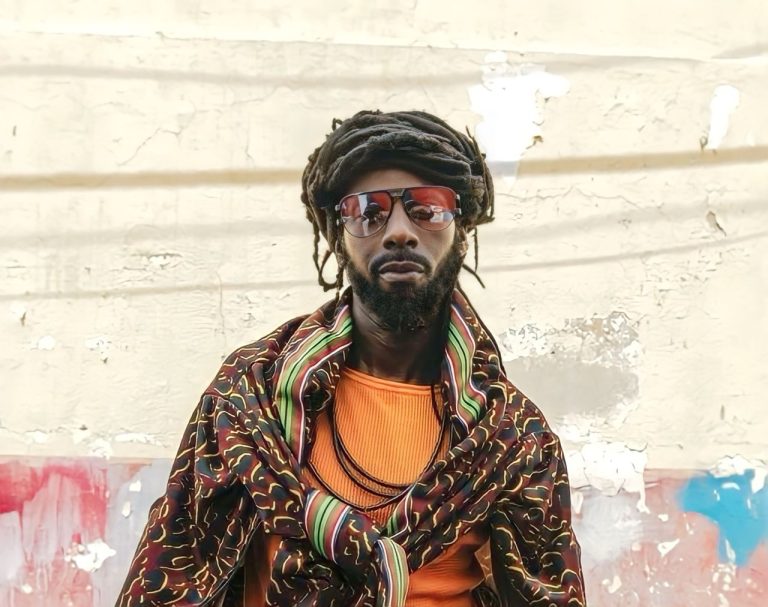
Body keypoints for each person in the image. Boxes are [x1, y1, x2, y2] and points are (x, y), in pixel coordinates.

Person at [116, 110, 585, 607]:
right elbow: (173, 571)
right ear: (337, 235)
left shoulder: (510, 434)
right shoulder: (251, 395)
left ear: (462, 229)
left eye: (427, 209)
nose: (399, 232)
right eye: (368, 211)